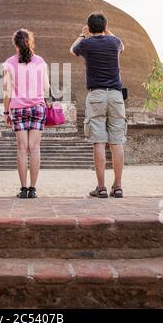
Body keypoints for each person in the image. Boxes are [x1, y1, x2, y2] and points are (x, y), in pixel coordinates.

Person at [70, 12, 126, 198]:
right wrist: (106, 30)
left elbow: (72, 50)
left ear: (89, 27)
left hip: (96, 95)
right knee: (117, 142)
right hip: (116, 96)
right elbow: (121, 44)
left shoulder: (86, 43)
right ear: (104, 27)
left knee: (99, 142)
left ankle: (101, 187)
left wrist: (82, 33)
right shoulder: (114, 42)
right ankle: (117, 186)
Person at [3, 29, 50, 198]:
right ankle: (33, 189)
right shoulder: (40, 61)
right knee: (35, 148)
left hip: (17, 108)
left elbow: (7, 91)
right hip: (37, 106)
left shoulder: (9, 63)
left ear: (15, 44)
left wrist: (6, 111)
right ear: (30, 42)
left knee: (22, 149)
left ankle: (23, 190)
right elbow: (46, 88)